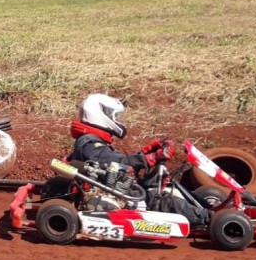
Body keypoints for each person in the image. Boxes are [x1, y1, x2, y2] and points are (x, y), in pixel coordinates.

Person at [66, 93, 210, 227]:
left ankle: (207, 205)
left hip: (117, 187)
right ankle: (210, 218)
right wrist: (149, 158)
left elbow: (118, 164)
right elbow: (115, 161)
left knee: (167, 185)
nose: (118, 121)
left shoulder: (93, 140)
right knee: (161, 198)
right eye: (115, 117)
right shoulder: (89, 143)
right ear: (99, 114)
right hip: (111, 193)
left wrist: (144, 154)